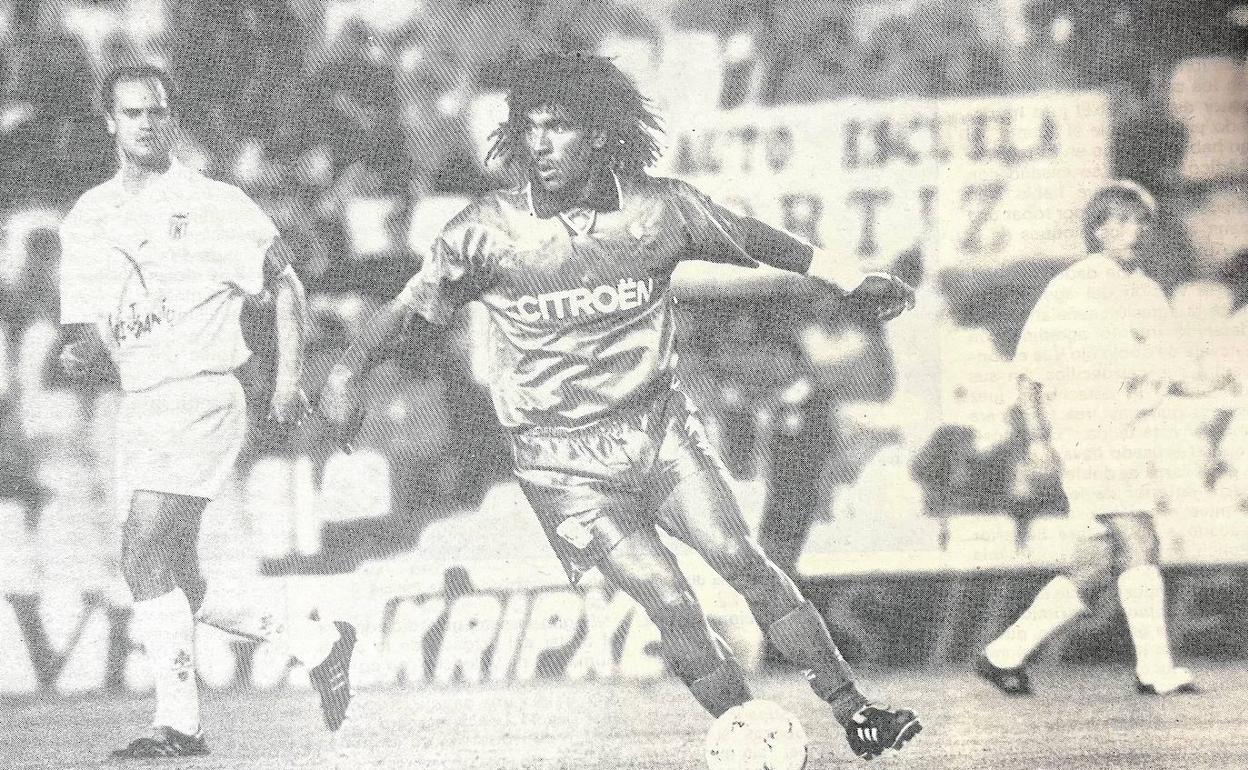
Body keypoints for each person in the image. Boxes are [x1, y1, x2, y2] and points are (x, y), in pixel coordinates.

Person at [318, 52, 921, 760]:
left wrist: (849, 279)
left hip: (659, 430)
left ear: (600, 135)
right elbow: (409, 308)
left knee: (742, 559)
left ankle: (857, 713)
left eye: (559, 128)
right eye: (528, 128)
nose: (538, 144)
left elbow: (755, 240)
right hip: (560, 464)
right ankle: (750, 734)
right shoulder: (487, 230)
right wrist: (347, 371)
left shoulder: (659, 210)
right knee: (669, 601)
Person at [57, 65, 357, 759]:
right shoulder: (89, 217)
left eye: (158, 112)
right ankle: (315, 641)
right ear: (110, 121)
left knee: (140, 550)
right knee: (177, 574)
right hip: (141, 401)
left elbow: (287, 287)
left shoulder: (213, 202)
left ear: (172, 116)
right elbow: (93, 334)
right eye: (133, 113)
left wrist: (285, 380)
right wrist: (80, 356)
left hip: (201, 390)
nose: (148, 124)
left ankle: (180, 726)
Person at [976, 180, 1220, 696]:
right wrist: (1039, 441)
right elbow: (1029, 376)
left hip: (1130, 436)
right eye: (1122, 220)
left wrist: (1216, 383)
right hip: (1086, 433)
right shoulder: (1072, 287)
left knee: (1094, 567)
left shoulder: (1148, 291)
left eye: (1142, 221)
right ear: (1097, 228)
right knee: (1140, 538)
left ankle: (1003, 653)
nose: (1135, 231)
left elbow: (1176, 370)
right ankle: (1155, 670)